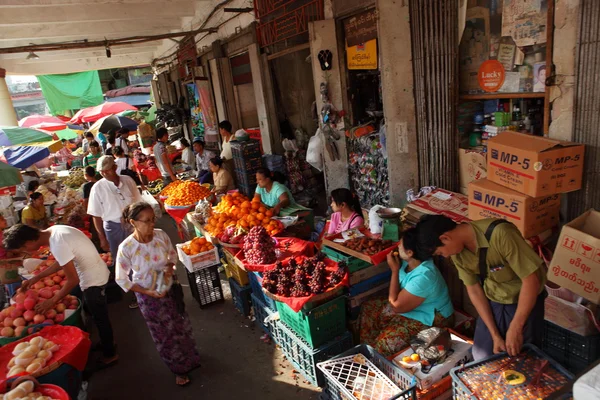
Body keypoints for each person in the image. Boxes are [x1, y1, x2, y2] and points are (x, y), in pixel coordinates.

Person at [415, 215, 547, 360]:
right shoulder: (458, 254)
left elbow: (531, 281)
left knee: (521, 356)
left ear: (445, 238)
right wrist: (494, 334)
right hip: (494, 300)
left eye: (440, 253)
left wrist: (516, 328)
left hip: (524, 300)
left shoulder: (501, 234)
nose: (445, 256)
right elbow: (474, 290)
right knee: (482, 355)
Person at [5, 224, 117, 369]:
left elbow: (73, 280)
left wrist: (51, 301)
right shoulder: (55, 231)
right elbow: (61, 262)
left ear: (28, 243)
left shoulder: (57, 242)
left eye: (23, 249)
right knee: (97, 315)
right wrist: (36, 278)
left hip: (93, 280)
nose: (26, 252)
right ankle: (106, 343)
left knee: (100, 318)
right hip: (94, 274)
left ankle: (110, 354)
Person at [116, 202, 201, 386]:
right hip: (149, 299)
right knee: (164, 334)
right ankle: (178, 370)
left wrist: (169, 270)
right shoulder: (127, 248)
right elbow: (121, 279)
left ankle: (191, 358)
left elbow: (172, 256)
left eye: (153, 219)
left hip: (170, 289)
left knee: (181, 324)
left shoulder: (161, 236)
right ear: (133, 222)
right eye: (146, 221)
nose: (152, 224)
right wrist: (148, 292)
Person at [359, 228, 454, 357]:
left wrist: (394, 270)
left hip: (430, 317)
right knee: (369, 308)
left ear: (410, 252)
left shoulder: (424, 275)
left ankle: (376, 357)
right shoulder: (408, 262)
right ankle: (367, 351)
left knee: (385, 343)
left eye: (400, 245)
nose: (397, 246)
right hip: (411, 306)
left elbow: (396, 306)